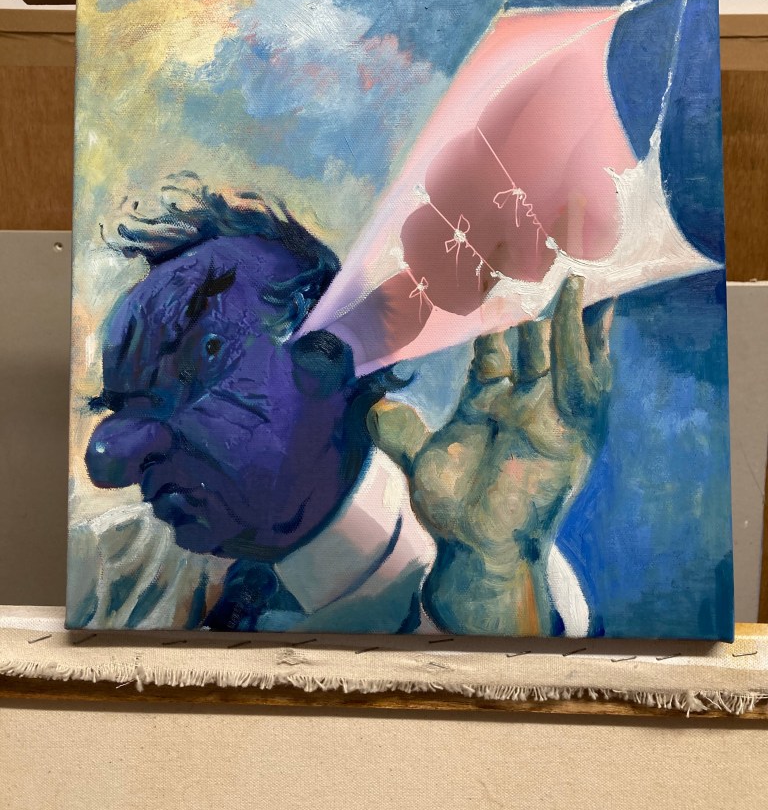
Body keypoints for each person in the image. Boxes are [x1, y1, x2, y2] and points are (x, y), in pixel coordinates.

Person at [69, 177, 613, 636]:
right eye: (123, 407)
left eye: (197, 361)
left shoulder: (505, 580)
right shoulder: (115, 564)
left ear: (329, 356)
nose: (111, 456)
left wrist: (490, 578)